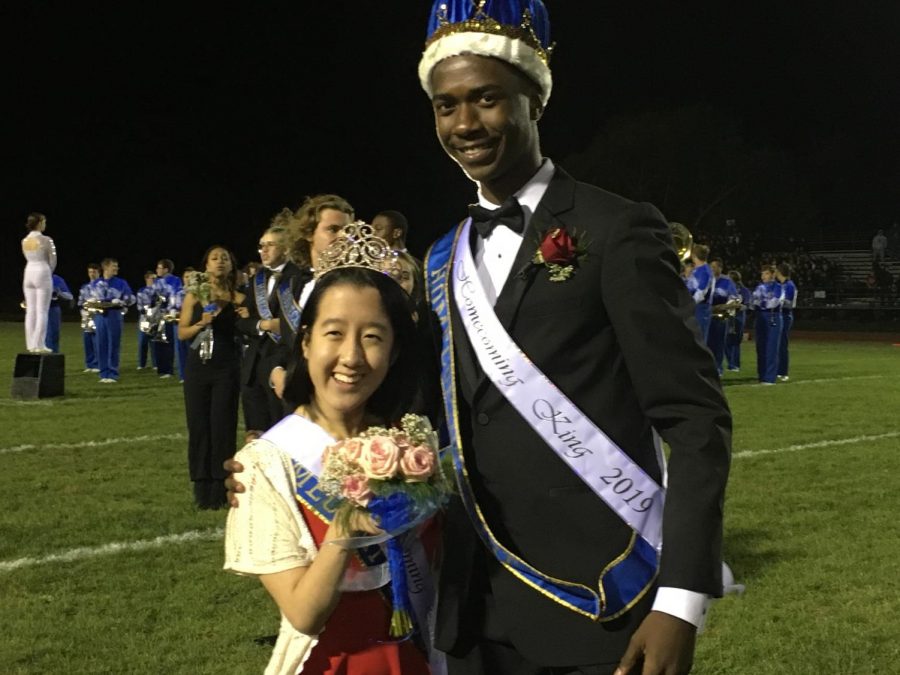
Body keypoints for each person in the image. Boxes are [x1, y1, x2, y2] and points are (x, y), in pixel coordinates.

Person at [415, 3, 731, 673]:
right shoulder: (442, 256)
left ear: (534, 98)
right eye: (446, 106)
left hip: (602, 604)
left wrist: (680, 602)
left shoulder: (616, 229)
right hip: (475, 607)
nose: (465, 123)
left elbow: (697, 420)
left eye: (486, 99)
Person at [223, 235, 433, 674]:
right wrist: (343, 531)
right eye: (334, 333)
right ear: (305, 342)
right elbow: (304, 614)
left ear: (394, 352)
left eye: (373, 337)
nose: (352, 357)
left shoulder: (412, 444)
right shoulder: (266, 463)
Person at [178, 246, 245, 509]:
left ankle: (221, 485)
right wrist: (200, 324)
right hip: (198, 368)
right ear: (205, 265)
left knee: (223, 425)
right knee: (199, 425)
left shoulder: (239, 298)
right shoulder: (195, 296)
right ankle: (201, 485)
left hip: (227, 368)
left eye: (225, 258)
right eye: (214, 258)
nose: (219, 262)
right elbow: (182, 333)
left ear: (231, 266)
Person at [237, 211, 315, 435]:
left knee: (283, 431)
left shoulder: (300, 278)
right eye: (261, 246)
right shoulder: (257, 279)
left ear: (286, 249)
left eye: (270, 245)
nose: (264, 250)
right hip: (253, 366)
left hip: (284, 363)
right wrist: (264, 325)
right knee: (256, 433)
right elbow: (241, 322)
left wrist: (257, 321)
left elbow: (294, 323)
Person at [88, 258, 135, 383]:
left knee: (113, 344)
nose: (116, 268)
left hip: (114, 315)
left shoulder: (121, 282)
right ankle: (103, 374)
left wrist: (122, 301)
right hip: (100, 316)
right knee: (101, 344)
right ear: (106, 268)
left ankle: (112, 373)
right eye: (114, 266)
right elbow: (92, 298)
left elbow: (131, 298)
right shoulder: (95, 283)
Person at [21, 212, 57, 353]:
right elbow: (52, 260)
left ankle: (30, 344)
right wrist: (49, 272)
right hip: (42, 270)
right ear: (39, 223)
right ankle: (39, 344)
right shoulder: (46, 240)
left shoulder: (24, 240)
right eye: (44, 222)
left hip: (29, 271)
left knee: (31, 311)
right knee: (42, 310)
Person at [706, 258, 739, 376]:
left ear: (720, 268)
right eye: (711, 267)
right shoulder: (707, 279)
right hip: (706, 315)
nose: (712, 269)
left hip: (720, 316)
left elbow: (734, 297)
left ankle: (718, 368)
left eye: (715, 267)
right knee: (705, 343)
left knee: (719, 344)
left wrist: (725, 306)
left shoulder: (727, 281)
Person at [751, 265, 783, 385]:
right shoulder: (759, 287)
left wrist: (761, 302)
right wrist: (761, 303)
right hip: (760, 317)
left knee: (771, 347)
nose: (763, 276)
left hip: (772, 317)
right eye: (762, 274)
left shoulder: (778, 287)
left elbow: (774, 302)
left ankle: (770, 378)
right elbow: (753, 301)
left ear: (772, 275)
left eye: (766, 274)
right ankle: (762, 375)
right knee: (761, 347)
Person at [154, 259, 183, 379]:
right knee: (158, 341)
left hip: (168, 314)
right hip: (157, 315)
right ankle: (161, 368)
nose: (157, 270)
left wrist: (171, 309)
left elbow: (175, 295)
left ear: (166, 269)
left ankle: (169, 370)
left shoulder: (175, 280)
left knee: (168, 341)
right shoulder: (157, 281)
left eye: (159, 268)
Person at [724, 271, 751, 372]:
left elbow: (747, 305)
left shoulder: (744, 291)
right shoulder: (727, 289)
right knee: (726, 340)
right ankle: (731, 364)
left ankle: (735, 364)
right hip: (727, 316)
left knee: (735, 341)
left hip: (738, 317)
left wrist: (739, 306)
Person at [686, 244, 714, 341]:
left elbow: (701, 293)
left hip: (701, 308)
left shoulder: (705, 271)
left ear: (694, 256)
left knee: (699, 339)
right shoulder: (696, 270)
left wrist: (689, 304)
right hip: (695, 307)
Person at [78, 263, 102, 372]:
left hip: (98, 315)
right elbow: (80, 302)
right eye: (90, 272)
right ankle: (89, 364)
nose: (92, 274)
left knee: (97, 341)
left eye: (94, 272)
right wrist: (83, 311)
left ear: (98, 273)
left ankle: (98, 364)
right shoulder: (84, 287)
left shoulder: (101, 285)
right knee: (87, 340)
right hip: (87, 316)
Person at [775, 262, 797, 382]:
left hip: (785, 315)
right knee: (777, 344)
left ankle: (784, 372)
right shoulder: (780, 285)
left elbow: (789, 303)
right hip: (779, 315)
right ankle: (778, 370)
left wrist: (778, 302)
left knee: (783, 344)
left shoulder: (789, 285)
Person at [45, 273, 74, 353]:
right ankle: (46, 357)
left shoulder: (56, 279)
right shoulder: (36, 276)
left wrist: (59, 292)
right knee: (46, 335)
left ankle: (54, 358)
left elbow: (69, 296)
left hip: (53, 308)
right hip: (40, 308)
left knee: (54, 335)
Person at [136, 271, 159, 370]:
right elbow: (139, 306)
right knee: (142, 342)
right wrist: (147, 311)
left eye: (155, 278)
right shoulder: (141, 291)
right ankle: (142, 364)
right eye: (151, 278)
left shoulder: (159, 291)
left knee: (154, 342)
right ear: (146, 279)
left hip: (156, 319)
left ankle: (156, 364)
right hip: (145, 319)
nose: (154, 280)